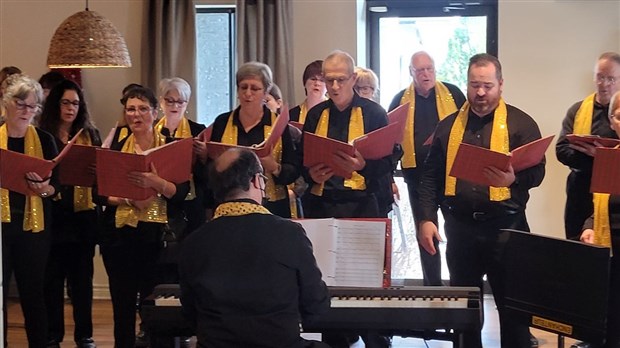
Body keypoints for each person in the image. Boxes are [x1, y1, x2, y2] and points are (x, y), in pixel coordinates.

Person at [417, 53, 545, 348]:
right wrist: (426, 218)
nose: (480, 93)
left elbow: (538, 172)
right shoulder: (448, 127)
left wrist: (514, 180)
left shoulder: (521, 124)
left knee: (514, 313)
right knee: (464, 314)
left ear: (501, 84)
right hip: (460, 230)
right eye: (474, 85)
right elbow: (430, 177)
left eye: (487, 85)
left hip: (507, 230)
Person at [178, 147, 330, 348]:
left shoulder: (193, 242)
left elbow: (190, 314)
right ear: (256, 180)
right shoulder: (289, 233)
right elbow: (315, 306)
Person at [300, 50, 395, 348]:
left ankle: (376, 340)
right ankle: (335, 340)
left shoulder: (374, 113)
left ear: (354, 78)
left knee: (368, 281)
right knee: (327, 281)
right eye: (329, 80)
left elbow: (388, 163)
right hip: (324, 204)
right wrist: (312, 174)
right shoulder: (316, 114)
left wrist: (363, 166)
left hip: (364, 204)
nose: (335, 86)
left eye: (341, 79)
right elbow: (304, 160)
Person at [96, 86, 189, 348]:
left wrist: (155, 182)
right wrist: (129, 199)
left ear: (155, 112)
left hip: (157, 236)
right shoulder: (115, 145)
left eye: (143, 109)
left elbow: (181, 193)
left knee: (155, 307)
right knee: (122, 306)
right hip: (119, 236)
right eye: (130, 109)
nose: (136, 115)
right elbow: (99, 194)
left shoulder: (170, 146)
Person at [388, 51, 466, 286]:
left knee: (456, 233)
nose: (426, 74)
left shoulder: (453, 94)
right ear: (411, 73)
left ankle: (459, 286)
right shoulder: (400, 100)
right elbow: (390, 142)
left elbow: (469, 129)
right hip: (418, 180)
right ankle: (433, 288)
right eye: (420, 70)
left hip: (452, 177)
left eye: (429, 69)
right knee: (426, 235)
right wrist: (390, 176)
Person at [38, 80, 100, 348]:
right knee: (52, 281)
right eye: (65, 102)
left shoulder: (91, 135)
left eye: (76, 103)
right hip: (54, 215)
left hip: (83, 218)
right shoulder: (42, 135)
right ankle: (53, 335)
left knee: (82, 283)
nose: (71, 108)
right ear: (55, 105)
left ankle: (84, 335)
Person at [1, 74, 59, 348]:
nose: (26, 111)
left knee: (33, 294)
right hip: (0, 227)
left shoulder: (45, 140)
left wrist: (45, 189)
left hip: (33, 229)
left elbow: (56, 188)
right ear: (6, 103)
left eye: (32, 106)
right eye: (20, 104)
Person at [210, 61, 299, 218]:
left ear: (266, 93)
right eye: (243, 87)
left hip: (272, 206)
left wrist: (275, 167)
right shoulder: (222, 122)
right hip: (230, 205)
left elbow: (293, 170)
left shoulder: (278, 123)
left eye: (255, 88)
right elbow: (211, 168)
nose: (248, 93)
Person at [556, 52, 620, 241]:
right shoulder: (578, 110)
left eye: (611, 78)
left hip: (613, 197)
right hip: (580, 192)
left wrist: (599, 156)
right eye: (600, 77)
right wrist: (596, 158)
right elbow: (562, 150)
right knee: (577, 254)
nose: (604, 83)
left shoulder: (617, 118)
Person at [579, 90, 620, 348]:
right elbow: (601, 204)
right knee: (611, 318)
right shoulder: (610, 155)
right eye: (619, 115)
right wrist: (590, 226)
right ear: (612, 121)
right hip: (611, 252)